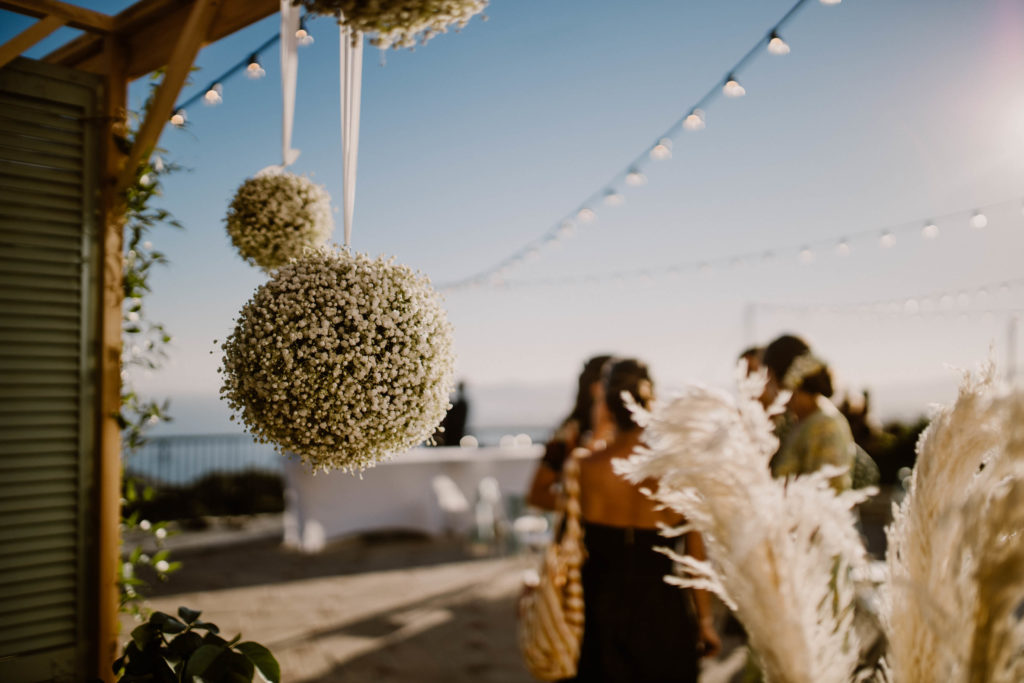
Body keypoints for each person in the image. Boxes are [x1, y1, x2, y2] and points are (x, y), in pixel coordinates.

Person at [572, 358, 720, 682]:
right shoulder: (679, 471)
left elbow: (565, 537)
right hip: (663, 613)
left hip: (599, 614)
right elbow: (696, 557)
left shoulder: (584, 467)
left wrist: (596, 434)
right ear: (650, 403)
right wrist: (705, 623)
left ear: (607, 404)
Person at [761, 334, 856, 492]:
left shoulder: (824, 425)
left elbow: (829, 493)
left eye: (768, 377)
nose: (766, 385)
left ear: (779, 377)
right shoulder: (799, 421)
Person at [526, 355, 612, 510]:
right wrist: (586, 507)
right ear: (596, 389)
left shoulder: (627, 432)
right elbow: (537, 495)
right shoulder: (569, 434)